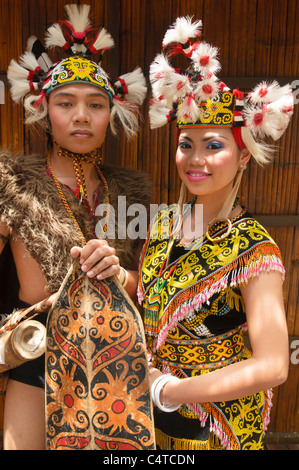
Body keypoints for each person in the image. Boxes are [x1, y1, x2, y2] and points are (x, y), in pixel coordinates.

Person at [138, 17, 294, 450]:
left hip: (217, 427)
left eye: (213, 145)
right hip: (152, 416)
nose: (196, 159)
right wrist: (112, 272)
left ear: (242, 158)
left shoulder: (255, 249)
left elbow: (274, 365)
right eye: (186, 143)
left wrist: (169, 391)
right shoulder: (164, 225)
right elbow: (152, 302)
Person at [0, 4, 150, 450]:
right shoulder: (10, 184)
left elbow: (152, 289)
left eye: (95, 104)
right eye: (66, 103)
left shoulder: (129, 193)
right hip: (36, 353)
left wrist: (120, 274)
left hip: (117, 361)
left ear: (112, 115)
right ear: (44, 111)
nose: (81, 116)